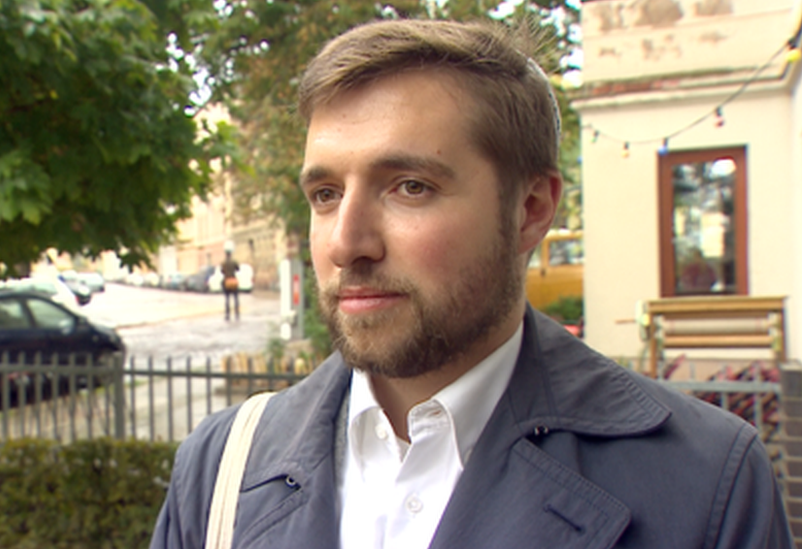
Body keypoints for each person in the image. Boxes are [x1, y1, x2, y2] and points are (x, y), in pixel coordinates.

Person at [151, 19, 790, 549]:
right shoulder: (221, 467)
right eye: (325, 194)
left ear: (531, 208)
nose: (347, 243)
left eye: (410, 187)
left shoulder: (705, 482)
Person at [220, 250, 240, 321]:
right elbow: (238, 269)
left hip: (227, 281)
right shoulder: (234, 262)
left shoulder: (223, 263)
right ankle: (237, 314)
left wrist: (226, 272)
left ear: (226, 255)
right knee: (236, 299)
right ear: (230, 255)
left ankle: (227, 315)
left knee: (227, 299)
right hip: (233, 280)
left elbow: (221, 271)